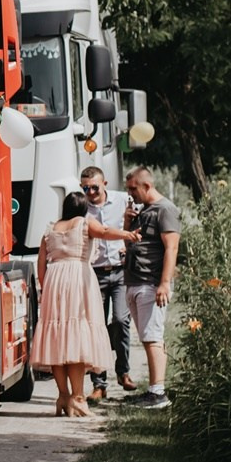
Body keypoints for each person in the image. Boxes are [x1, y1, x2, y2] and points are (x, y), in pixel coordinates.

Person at [29, 192, 139, 417]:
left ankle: (62, 396)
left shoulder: (50, 229)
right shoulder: (85, 223)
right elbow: (106, 232)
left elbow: (41, 264)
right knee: (76, 339)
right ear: (83, 209)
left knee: (57, 341)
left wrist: (45, 289)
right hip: (78, 278)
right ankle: (78, 398)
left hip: (54, 281)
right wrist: (127, 234)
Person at [121, 166, 183, 410]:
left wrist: (164, 283)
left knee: (153, 337)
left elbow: (171, 248)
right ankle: (153, 391)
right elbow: (130, 241)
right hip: (135, 280)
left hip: (151, 282)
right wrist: (127, 222)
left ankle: (158, 393)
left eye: (133, 188)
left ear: (146, 186)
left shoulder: (165, 209)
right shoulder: (144, 210)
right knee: (147, 338)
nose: (131, 194)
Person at [81, 166, 133, 402]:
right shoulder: (82, 209)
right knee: (97, 328)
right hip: (95, 273)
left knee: (121, 320)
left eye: (94, 187)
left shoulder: (122, 200)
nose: (90, 192)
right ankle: (99, 384)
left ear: (105, 184)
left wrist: (129, 244)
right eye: (85, 188)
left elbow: (138, 223)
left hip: (120, 272)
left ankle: (123, 371)